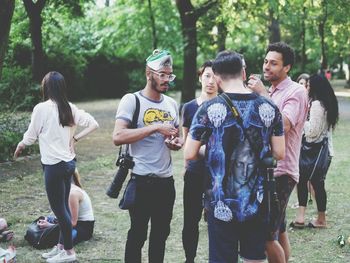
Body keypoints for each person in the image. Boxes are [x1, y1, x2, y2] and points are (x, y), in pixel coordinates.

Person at [185, 51, 285, 263]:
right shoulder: (269, 106)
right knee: (254, 258)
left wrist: (213, 150)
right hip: (256, 200)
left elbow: (190, 153)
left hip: (220, 201)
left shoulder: (207, 109)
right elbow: (279, 153)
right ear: (243, 72)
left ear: (218, 78)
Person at [14, 71, 99, 263]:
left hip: (53, 166)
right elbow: (94, 124)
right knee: (64, 210)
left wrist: (21, 145)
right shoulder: (70, 108)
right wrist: (75, 138)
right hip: (69, 164)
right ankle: (61, 247)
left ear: (46, 87)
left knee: (60, 211)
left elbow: (31, 135)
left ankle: (69, 253)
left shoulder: (41, 108)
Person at [112, 49, 183, 263]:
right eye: (162, 74)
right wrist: (154, 128)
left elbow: (176, 137)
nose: (166, 79)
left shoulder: (171, 104)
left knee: (161, 236)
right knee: (137, 235)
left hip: (166, 182)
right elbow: (118, 136)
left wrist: (176, 143)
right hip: (142, 181)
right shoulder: (132, 100)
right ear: (148, 73)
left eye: (169, 75)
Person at [248, 42, 308, 263]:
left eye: (274, 63)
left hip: (282, 172)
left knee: (265, 235)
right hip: (265, 170)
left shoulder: (296, 91)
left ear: (287, 68)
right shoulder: (272, 91)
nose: (267, 67)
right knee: (279, 229)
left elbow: (283, 124)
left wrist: (262, 94)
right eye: (266, 61)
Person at [181, 60, 218, 263]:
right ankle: (190, 258)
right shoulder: (188, 108)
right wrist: (186, 166)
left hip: (218, 173)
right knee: (191, 219)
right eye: (207, 76)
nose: (210, 81)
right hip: (195, 171)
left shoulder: (225, 106)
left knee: (217, 219)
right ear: (200, 78)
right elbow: (187, 140)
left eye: (214, 77)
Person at [292, 74, 338, 228]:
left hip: (312, 151)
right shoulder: (327, 103)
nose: (308, 87)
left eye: (310, 85)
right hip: (321, 152)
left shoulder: (318, 104)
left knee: (306, 182)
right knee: (317, 184)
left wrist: (300, 122)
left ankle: (307, 218)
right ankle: (318, 219)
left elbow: (312, 132)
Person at [37, 169, 95, 246]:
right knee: (46, 219)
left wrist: (50, 226)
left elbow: (73, 223)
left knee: (60, 237)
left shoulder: (72, 194)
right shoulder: (67, 189)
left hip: (82, 228)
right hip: (75, 224)